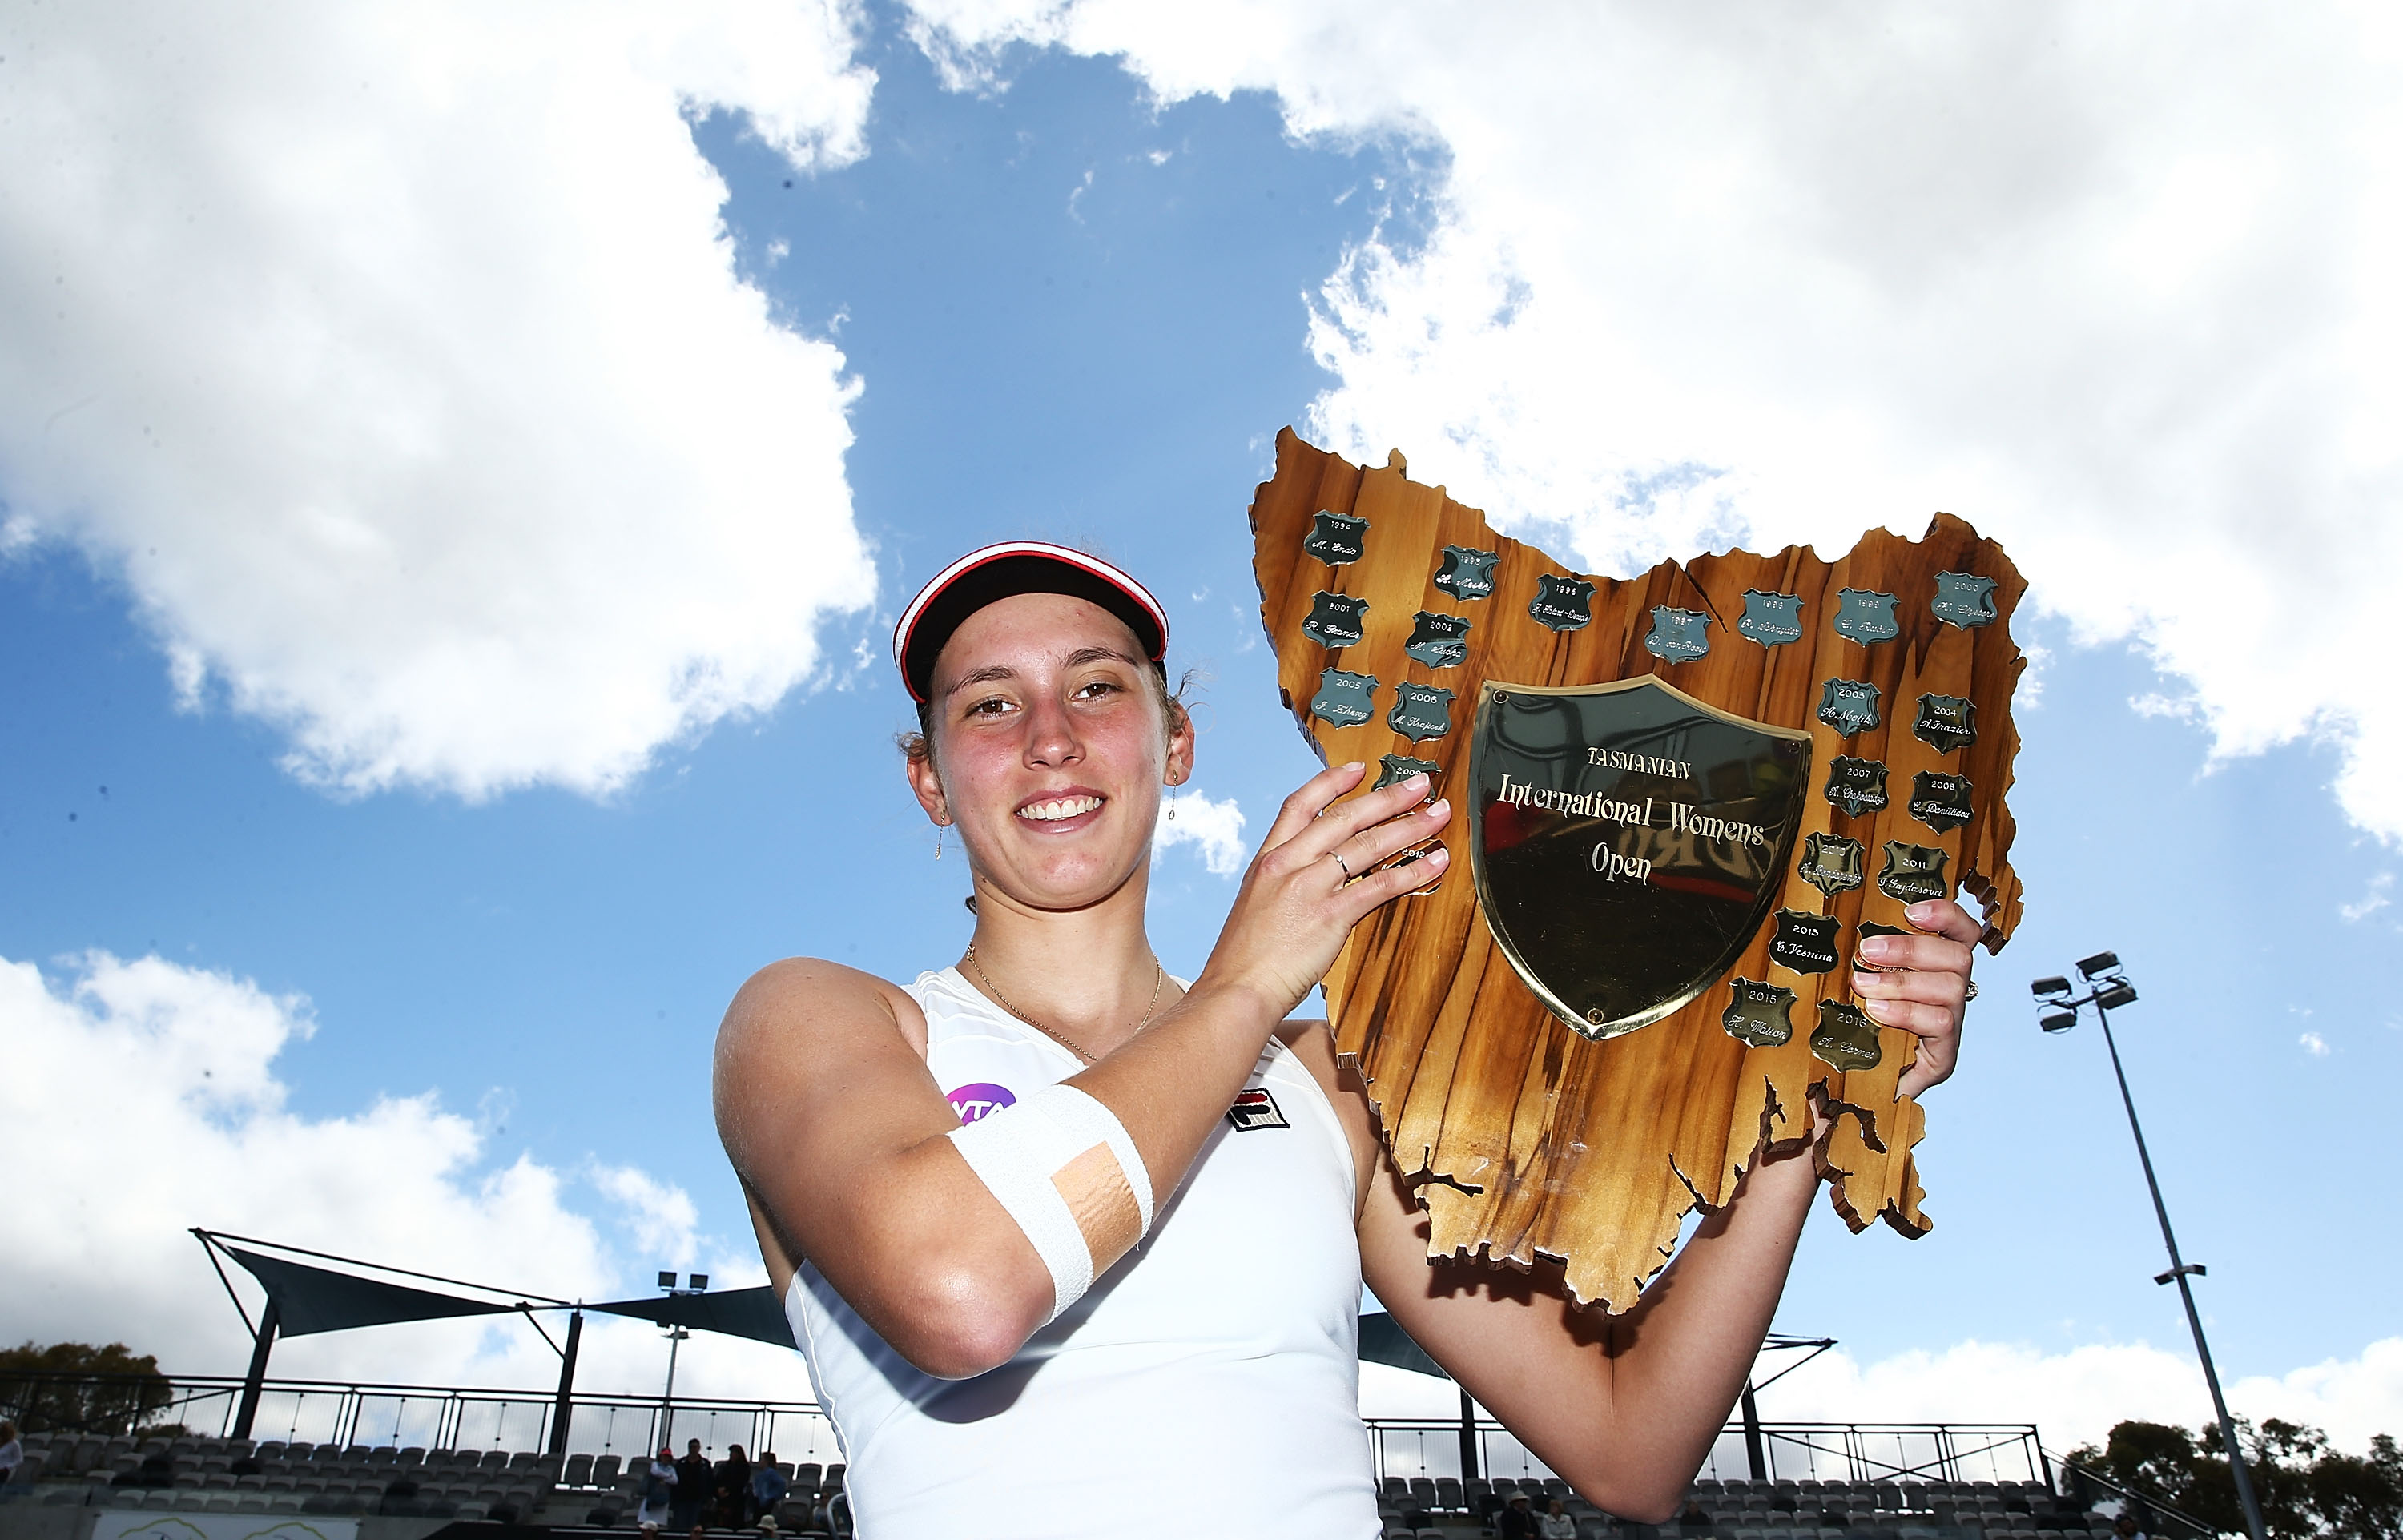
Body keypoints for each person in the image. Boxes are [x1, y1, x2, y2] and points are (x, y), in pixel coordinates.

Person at [714, 541, 1978, 1540]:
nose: (1052, 734)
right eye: (990, 704)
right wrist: (1248, 983)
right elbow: (963, 1288)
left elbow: (1630, 1440)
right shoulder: (822, 1017)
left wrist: (1815, 1088)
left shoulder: (1331, 1078)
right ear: (932, 779)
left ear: (1177, 741)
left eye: (1099, 685)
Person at [670, 1440, 710, 1533]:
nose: (693, 1449)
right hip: (681, 1500)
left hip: (698, 1500)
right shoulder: (681, 1463)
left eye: (695, 1447)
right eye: (691, 1447)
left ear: (699, 1448)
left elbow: (709, 1481)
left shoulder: (705, 1464)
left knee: (694, 1526)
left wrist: (707, 1497)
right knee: (680, 1526)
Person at [636, 1446, 676, 1532]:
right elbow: (655, 1472)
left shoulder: (671, 1469)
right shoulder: (655, 1464)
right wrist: (667, 1476)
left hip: (663, 1499)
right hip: (651, 1496)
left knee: (659, 1525)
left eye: (667, 1457)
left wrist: (663, 1478)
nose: (665, 1458)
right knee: (645, 1523)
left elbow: (675, 1480)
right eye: (664, 1456)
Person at [713, 1444, 751, 1529]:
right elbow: (718, 1479)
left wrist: (728, 1489)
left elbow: (741, 1482)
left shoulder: (744, 1467)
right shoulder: (725, 1466)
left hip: (736, 1499)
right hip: (723, 1499)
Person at [751, 1454, 788, 1527]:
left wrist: (771, 1496)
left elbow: (781, 1484)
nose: (759, 1462)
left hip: (766, 1504)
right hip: (760, 1502)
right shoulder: (761, 1475)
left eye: (761, 1459)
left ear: (766, 1461)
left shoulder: (770, 1473)